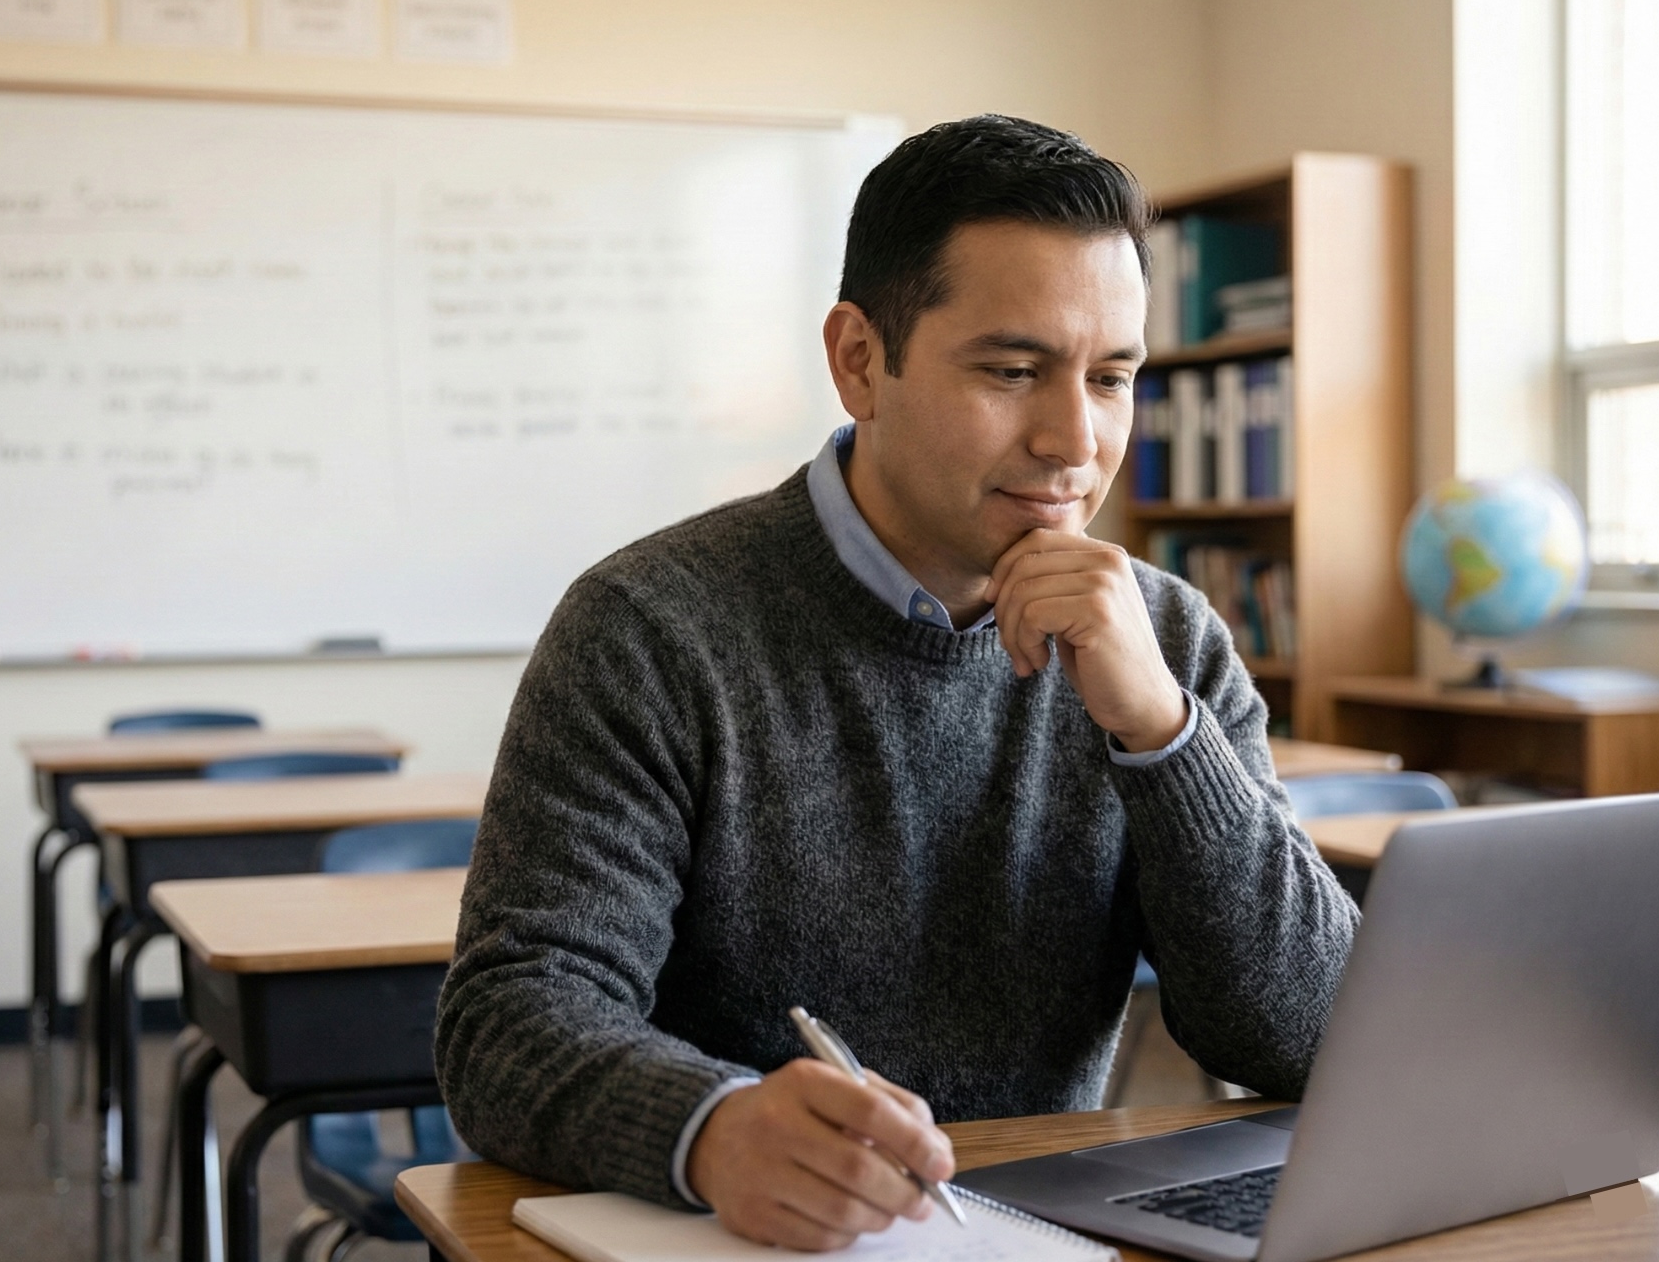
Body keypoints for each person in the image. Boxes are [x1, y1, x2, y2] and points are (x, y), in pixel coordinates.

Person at [434, 115, 1357, 1252]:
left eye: (1112, 377)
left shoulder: (1168, 636)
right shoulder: (650, 628)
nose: (1075, 439)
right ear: (860, 359)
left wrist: (1163, 734)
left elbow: (1311, 1037)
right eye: (1014, 371)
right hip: (748, 1238)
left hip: (1035, 1234)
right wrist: (710, 1128)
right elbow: (507, 1020)